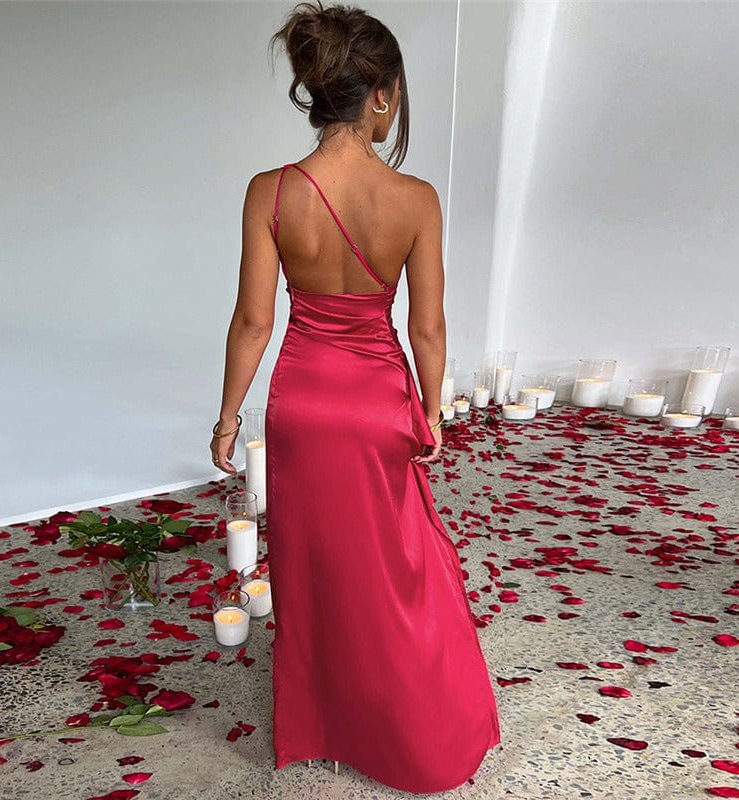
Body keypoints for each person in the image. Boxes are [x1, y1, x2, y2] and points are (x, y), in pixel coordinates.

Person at [210, 1, 501, 793]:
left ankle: (326, 730)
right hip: (376, 407)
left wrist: (228, 417)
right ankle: (404, 732)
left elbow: (253, 321)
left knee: (315, 573)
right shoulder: (416, 199)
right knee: (395, 573)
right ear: (380, 95)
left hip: (302, 406)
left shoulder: (269, 191)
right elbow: (427, 328)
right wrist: (431, 411)